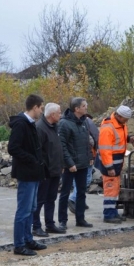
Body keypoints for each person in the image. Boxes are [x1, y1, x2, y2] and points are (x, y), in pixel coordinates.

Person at [7, 94, 48, 256]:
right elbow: (13, 148)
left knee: (31, 208)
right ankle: (19, 244)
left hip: (34, 173)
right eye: (41, 108)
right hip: (26, 173)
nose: (42, 112)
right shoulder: (21, 124)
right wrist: (31, 160)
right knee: (23, 210)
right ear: (35, 107)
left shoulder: (30, 124)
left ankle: (28, 239)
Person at [57, 97, 93, 228]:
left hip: (83, 164)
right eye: (84, 106)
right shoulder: (64, 124)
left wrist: (90, 157)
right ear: (76, 109)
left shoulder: (84, 122)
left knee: (81, 193)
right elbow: (63, 146)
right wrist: (70, 163)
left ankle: (80, 219)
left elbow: (86, 142)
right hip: (69, 166)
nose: (86, 107)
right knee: (65, 193)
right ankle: (62, 221)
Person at [96, 105, 134, 223]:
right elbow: (105, 150)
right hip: (110, 164)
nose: (126, 121)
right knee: (110, 190)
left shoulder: (120, 125)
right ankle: (108, 215)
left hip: (116, 164)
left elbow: (118, 139)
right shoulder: (108, 128)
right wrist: (109, 167)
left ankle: (112, 212)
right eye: (125, 119)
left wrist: (129, 138)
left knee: (114, 189)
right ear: (119, 115)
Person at [32, 103, 66, 237]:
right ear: (52, 115)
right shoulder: (40, 128)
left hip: (55, 170)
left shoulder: (54, 127)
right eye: (59, 112)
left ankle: (50, 224)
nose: (61, 115)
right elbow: (38, 152)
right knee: (40, 200)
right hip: (45, 172)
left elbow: (57, 148)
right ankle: (36, 226)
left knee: (51, 198)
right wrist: (42, 169)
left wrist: (61, 165)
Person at [68, 113, 99, 213]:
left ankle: (80, 200)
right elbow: (93, 140)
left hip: (76, 158)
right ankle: (73, 199)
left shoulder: (70, 123)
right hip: (86, 157)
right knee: (86, 179)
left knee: (77, 180)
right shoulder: (87, 124)